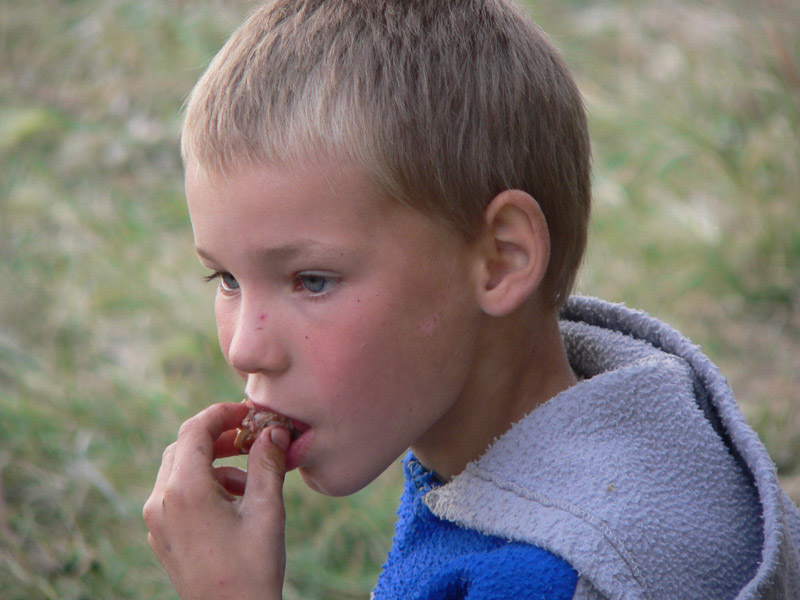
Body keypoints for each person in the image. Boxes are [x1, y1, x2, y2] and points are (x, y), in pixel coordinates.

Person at [142, 1, 800, 598]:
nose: (242, 344)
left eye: (312, 280)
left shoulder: (546, 579)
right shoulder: (609, 412)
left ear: (499, 261)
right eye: (225, 279)